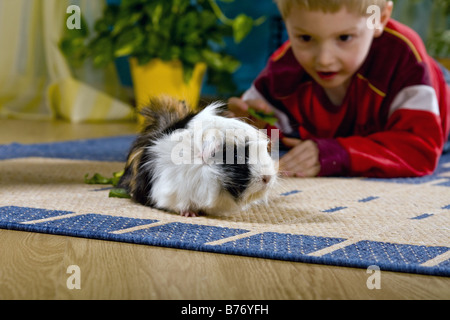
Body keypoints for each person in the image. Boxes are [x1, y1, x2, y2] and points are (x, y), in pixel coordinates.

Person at [228, 0, 450, 178]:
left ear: (379, 18)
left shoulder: (405, 59)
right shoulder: (284, 68)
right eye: (305, 38)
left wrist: (336, 153)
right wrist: (255, 127)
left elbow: (420, 150)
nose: (324, 60)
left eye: (344, 38)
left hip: (439, 96)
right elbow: (272, 133)